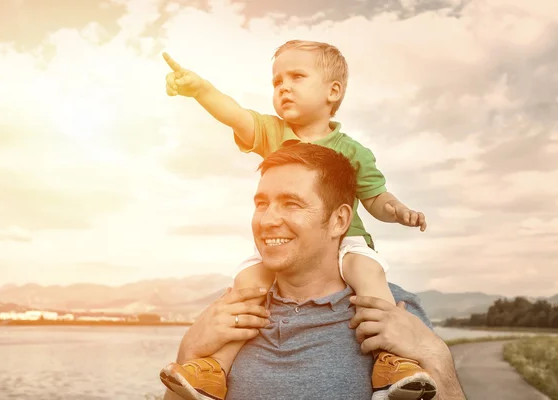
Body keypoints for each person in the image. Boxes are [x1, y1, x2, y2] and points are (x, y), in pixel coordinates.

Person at [162, 40, 432, 399]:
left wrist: (396, 210)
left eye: (297, 77)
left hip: (349, 241)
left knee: (369, 275)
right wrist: (201, 90)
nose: (283, 87)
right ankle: (213, 368)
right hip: (288, 250)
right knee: (246, 284)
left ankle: (392, 360)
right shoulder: (273, 133)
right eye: (276, 82)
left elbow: (375, 198)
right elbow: (234, 113)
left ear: (332, 91)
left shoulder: (354, 151)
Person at [160, 144, 466, 400]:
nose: (267, 220)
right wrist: (188, 350)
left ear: (339, 221)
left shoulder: (394, 314)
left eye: (291, 204)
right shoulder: (228, 313)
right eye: (261, 203)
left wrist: (434, 354)